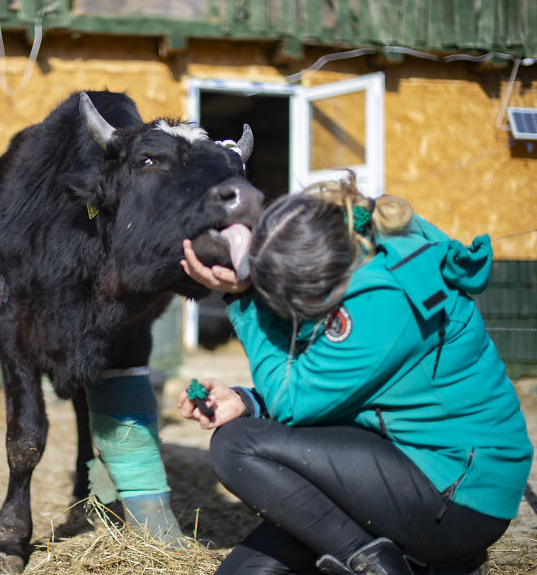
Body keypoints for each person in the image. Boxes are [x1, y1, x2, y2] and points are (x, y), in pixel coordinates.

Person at [176, 180, 533, 575]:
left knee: (237, 445)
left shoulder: (381, 302)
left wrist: (244, 300)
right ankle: (425, 564)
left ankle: (379, 565)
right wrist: (250, 401)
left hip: (456, 498)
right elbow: (342, 386)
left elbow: (291, 403)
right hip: (407, 460)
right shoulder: (359, 256)